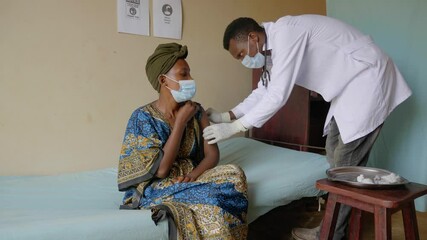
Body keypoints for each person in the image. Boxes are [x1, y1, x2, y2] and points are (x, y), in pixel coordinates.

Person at [202, 15, 412, 240]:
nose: (243, 60)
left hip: (367, 79)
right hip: (348, 88)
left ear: (253, 37)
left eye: (242, 54)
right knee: (333, 154)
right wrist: (226, 116)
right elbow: (263, 91)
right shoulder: (272, 49)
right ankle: (337, 225)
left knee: (344, 166)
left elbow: (277, 95)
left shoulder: (286, 34)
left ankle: (330, 233)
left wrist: (236, 127)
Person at [117, 43, 248, 240]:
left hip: (190, 177)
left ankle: (196, 190)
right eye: (184, 74)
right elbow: (160, 171)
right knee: (211, 197)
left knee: (235, 175)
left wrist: (193, 176)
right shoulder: (142, 118)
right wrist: (179, 123)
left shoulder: (197, 110)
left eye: (190, 74)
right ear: (164, 80)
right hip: (158, 184)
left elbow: (212, 154)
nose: (191, 80)